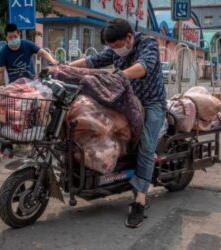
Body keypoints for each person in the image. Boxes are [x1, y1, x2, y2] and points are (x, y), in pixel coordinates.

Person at [70, 18, 167, 228]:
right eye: (111, 48)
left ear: (129, 38)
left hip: (152, 103)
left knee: (146, 145)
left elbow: (143, 66)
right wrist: (64, 68)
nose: (115, 51)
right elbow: (92, 61)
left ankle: (140, 198)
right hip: (126, 100)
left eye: (117, 46)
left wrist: (118, 76)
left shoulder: (148, 44)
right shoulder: (115, 49)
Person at [0, 23, 58, 88]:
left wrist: (53, 61)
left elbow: (42, 53)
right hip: (14, 86)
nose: (13, 39)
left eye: (15, 36)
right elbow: (0, 71)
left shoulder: (27, 44)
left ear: (19, 35)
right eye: (10, 37)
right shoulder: (3, 52)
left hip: (32, 83)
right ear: (6, 38)